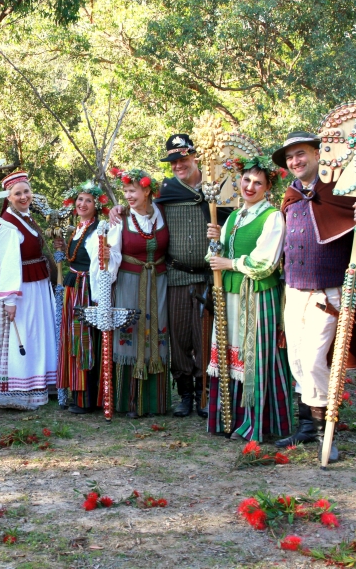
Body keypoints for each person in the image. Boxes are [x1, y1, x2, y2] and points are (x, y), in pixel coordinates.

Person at [273, 131, 356, 460]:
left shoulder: (344, 193)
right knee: (296, 357)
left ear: (317, 154)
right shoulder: (291, 196)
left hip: (328, 291)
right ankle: (307, 428)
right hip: (294, 288)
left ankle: (327, 432)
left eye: (301, 154)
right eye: (290, 158)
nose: (295, 162)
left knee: (314, 359)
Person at [205, 157, 292, 441]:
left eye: (258, 182)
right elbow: (215, 258)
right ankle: (228, 419)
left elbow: (265, 262)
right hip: (229, 294)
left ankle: (257, 424)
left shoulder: (273, 217)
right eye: (246, 180)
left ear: (268, 187)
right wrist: (215, 241)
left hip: (256, 295)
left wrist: (228, 264)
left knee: (253, 356)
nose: (250, 186)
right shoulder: (233, 216)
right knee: (229, 354)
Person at [154, 134, 232, 418]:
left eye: (183, 159)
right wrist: (118, 209)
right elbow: (142, 209)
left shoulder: (218, 189)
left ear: (195, 157)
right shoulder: (167, 191)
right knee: (180, 336)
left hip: (209, 276)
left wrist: (222, 233)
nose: (178, 165)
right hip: (176, 275)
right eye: (173, 161)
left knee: (205, 336)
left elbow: (235, 223)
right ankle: (185, 394)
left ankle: (203, 393)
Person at [0, 171, 56, 409]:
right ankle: (23, 388)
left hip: (37, 286)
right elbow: (8, 262)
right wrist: (9, 300)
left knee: (38, 333)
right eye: (18, 193)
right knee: (27, 334)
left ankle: (42, 382)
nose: (24, 196)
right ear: (8, 197)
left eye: (26, 191)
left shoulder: (26, 217)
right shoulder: (8, 224)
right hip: (21, 289)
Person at [109, 169, 170, 417]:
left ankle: (156, 403)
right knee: (130, 331)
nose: (128, 196)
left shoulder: (163, 214)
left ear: (147, 191)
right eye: (125, 192)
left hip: (159, 281)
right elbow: (111, 256)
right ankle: (130, 401)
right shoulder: (119, 220)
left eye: (132, 190)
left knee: (157, 332)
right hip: (128, 282)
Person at [54, 181, 117, 414]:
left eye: (88, 200)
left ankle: (87, 398)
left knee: (84, 340)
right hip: (72, 287)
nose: (82, 204)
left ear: (96, 205)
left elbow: (98, 265)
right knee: (72, 339)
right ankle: (76, 393)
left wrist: (99, 295)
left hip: (86, 290)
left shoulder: (98, 229)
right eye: (79, 200)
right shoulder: (77, 229)